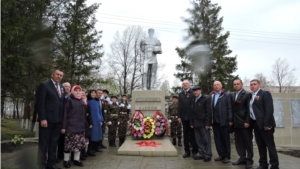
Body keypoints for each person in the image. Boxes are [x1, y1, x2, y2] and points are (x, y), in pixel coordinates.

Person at [36, 68, 65, 169]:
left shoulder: (61, 87)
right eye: (57, 74)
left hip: (58, 121)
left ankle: (51, 164)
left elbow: (61, 103)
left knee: (53, 144)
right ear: (52, 75)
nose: (59, 76)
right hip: (47, 120)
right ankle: (42, 164)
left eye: (61, 75)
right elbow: (40, 103)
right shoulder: (44, 85)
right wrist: (43, 118)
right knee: (44, 144)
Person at [249, 79, 279, 169]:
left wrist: (266, 124)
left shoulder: (265, 94)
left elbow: (269, 110)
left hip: (265, 125)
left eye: (254, 84)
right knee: (260, 145)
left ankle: (274, 165)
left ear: (259, 85)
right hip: (256, 124)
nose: (252, 86)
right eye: (251, 84)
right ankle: (263, 164)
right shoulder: (251, 96)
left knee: (270, 146)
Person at [231, 79, 253, 169]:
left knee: (247, 142)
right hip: (236, 122)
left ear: (242, 84)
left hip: (244, 122)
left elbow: (248, 109)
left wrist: (247, 121)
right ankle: (242, 158)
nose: (236, 85)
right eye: (234, 84)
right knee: (239, 142)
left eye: (238, 84)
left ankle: (249, 160)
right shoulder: (233, 95)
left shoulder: (247, 94)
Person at [61, 85, 86, 168]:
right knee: (68, 145)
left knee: (78, 145)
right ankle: (66, 160)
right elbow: (65, 114)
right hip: (71, 127)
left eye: (79, 90)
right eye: (76, 90)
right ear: (73, 91)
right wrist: (64, 127)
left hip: (80, 127)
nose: (78, 92)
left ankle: (76, 160)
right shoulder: (69, 100)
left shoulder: (82, 101)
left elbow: (83, 115)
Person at [210, 81, 233, 163]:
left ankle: (227, 156)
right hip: (215, 122)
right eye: (214, 85)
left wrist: (230, 119)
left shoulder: (226, 95)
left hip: (224, 121)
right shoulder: (211, 95)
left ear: (221, 86)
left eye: (217, 85)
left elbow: (229, 108)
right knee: (217, 139)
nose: (216, 86)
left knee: (225, 139)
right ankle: (221, 154)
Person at [190, 86, 212, 162]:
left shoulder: (206, 99)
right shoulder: (193, 99)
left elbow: (208, 112)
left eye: (197, 90)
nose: (195, 92)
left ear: (200, 90)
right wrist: (191, 122)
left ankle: (208, 154)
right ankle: (202, 154)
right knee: (198, 140)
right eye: (194, 91)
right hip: (195, 124)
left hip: (203, 124)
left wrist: (207, 123)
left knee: (206, 140)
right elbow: (192, 112)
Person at [177, 80, 198, 158]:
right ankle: (187, 151)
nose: (185, 85)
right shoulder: (181, 94)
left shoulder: (193, 93)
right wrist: (179, 116)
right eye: (183, 84)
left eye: (186, 83)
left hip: (192, 118)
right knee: (185, 135)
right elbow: (179, 106)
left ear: (189, 85)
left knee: (193, 135)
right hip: (184, 118)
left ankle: (195, 152)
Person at [57, 82, 71, 162]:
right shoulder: (60, 96)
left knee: (68, 140)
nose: (67, 88)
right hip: (60, 120)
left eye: (69, 87)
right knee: (60, 139)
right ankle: (59, 155)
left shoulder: (71, 97)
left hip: (69, 121)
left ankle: (67, 156)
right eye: (65, 86)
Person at [87, 89, 104, 155]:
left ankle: (94, 148)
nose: (93, 94)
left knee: (97, 135)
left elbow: (100, 112)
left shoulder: (97, 101)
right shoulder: (88, 101)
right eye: (92, 93)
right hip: (92, 120)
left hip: (98, 120)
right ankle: (89, 150)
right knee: (92, 135)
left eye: (94, 93)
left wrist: (101, 119)